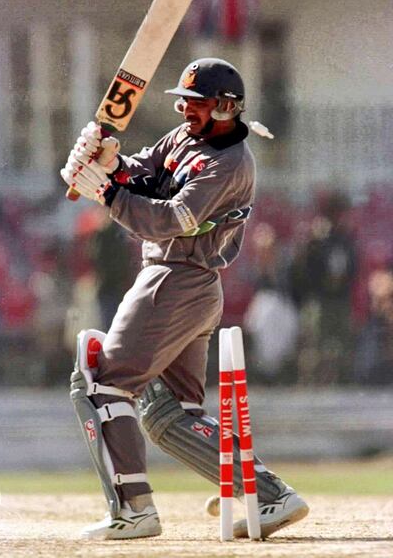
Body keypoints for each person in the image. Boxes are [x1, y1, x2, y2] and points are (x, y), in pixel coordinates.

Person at [61, 58, 309, 540]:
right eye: (183, 100)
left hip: (176, 279)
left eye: (195, 103)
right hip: (183, 284)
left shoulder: (230, 164)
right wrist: (112, 161)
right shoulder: (185, 138)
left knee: (102, 384)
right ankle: (270, 495)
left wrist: (109, 194)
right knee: (167, 414)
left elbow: (174, 217)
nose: (184, 109)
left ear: (226, 107)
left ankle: (134, 511)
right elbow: (148, 169)